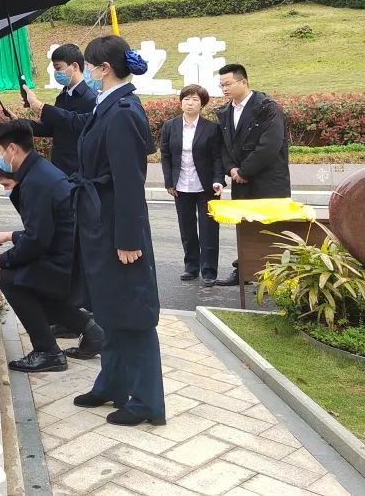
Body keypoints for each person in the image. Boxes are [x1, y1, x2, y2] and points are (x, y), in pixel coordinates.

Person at [28, 35, 165, 426]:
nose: (85, 70)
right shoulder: (107, 104)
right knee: (108, 308)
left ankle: (147, 401)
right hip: (97, 221)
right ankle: (112, 383)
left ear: (103, 69)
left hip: (116, 229)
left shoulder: (123, 111)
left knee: (132, 311)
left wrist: (128, 238)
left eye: (89, 64)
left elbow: (129, 181)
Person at [0, 120, 104, 373]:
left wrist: (2, 260)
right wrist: (12, 239)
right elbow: (41, 231)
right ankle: (93, 333)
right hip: (67, 253)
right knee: (31, 281)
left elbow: (37, 240)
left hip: (63, 260)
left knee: (10, 278)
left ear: (13, 149)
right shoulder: (39, 171)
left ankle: (47, 351)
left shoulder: (36, 181)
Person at [214, 64, 292, 287]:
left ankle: (274, 279)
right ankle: (244, 271)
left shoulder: (267, 108)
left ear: (243, 82)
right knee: (245, 228)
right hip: (241, 182)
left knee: (271, 230)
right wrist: (231, 169)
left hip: (269, 181)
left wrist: (244, 171)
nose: (224, 89)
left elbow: (269, 146)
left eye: (228, 84)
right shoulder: (226, 112)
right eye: (221, 85)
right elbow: (224, 146)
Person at [160, 85, 225, 285]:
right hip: (181, 185)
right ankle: (191, 267)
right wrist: (169, 182)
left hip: (206, 186)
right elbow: (166, 156)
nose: (190, 103)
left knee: (209, 230)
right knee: (186, 228)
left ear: (202, 104)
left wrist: (218, 180)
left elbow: (218, 157)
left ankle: (209, 271)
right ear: (181, 102)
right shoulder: (170, 126)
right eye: (186, 99)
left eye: (195, 99)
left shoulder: (211, 128)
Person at [24, 43, 97, 177]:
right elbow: (53, 128)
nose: (56, 73)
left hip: (79, 172)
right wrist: (19, 123)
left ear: (74, 66)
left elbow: (77, 125)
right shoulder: (63, 96)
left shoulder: (91, 98)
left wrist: (40, 106)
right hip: (59, 168)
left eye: (58, 68)